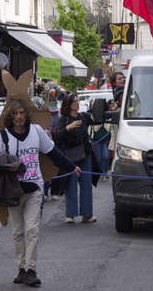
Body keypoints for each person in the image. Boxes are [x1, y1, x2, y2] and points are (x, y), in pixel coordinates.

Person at [0, 99, 80, 287]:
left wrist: (72, 167)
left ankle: (31, 269)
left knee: (32, 230)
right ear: (11, 116)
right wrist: (9, 164)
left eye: (22, 113)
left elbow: (53, 153)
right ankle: (21, 268)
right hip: (12, 192)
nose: (19, 117)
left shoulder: (37, 132)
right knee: (17, 232)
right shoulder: (2, 137)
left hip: (34, 189)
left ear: (27, 114)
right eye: (15, 114)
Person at [54, 93, 103, 223]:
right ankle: (70, 214)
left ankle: (87, 214)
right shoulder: (63, 119)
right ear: (68, 104)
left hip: (85, 154)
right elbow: (56, 135)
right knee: (71, 185)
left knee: (86, 184)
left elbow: (97, 119)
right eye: (74, 101)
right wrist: (67, 128)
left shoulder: (84, 116)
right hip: (70, 157)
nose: (77, 103)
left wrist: (101, 108)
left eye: (77, 101)